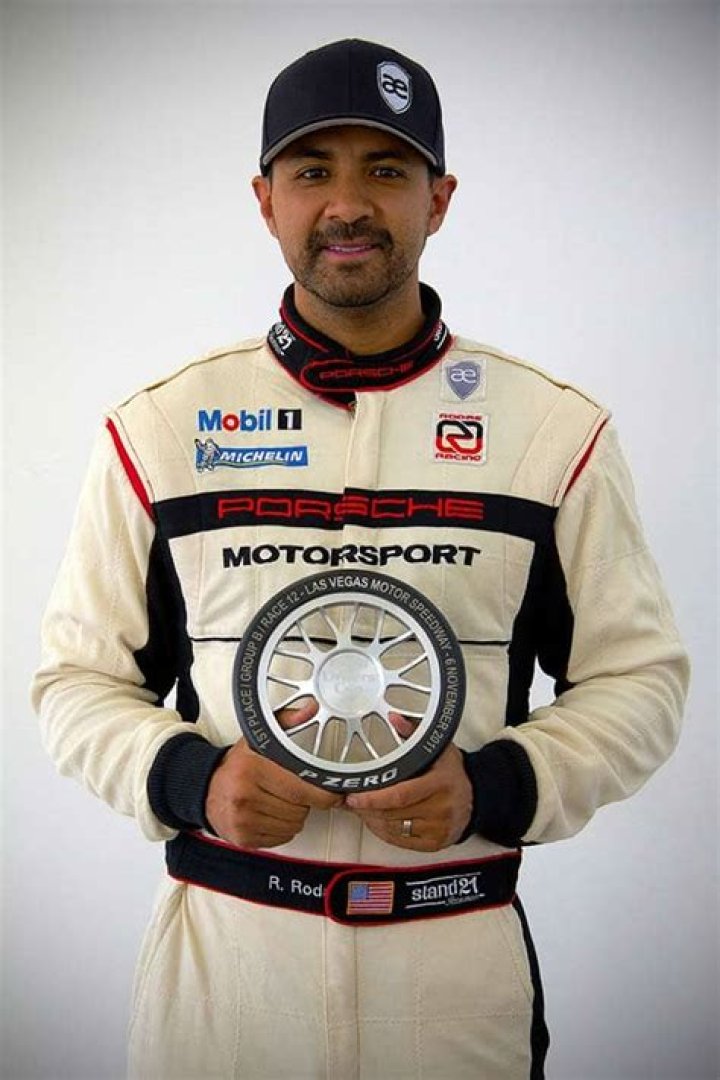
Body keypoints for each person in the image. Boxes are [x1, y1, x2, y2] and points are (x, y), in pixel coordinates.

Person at [32, 38, 689, 1080]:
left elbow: (640, 681)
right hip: (223, 982)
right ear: (265, 201)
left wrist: (498, 787)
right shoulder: (159, 431)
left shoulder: (553, 434)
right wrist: (191, 780)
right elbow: (74, 682)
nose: (348, 204)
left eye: (386, 169)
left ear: (440, 199)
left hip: (454, 976)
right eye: (312, 171)